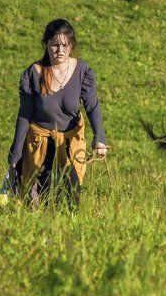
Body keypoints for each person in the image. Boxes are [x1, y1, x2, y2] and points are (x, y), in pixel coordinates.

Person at [8, 19, 108, 204]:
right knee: (38, 201)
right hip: (40, 146)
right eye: (54, 45)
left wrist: (100, 139)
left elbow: (92, 106)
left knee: (72, 198)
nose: (60, 50)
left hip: (70, 145)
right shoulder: (33, 73)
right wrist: (15, 156)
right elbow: (24, 115)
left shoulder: (82, 71)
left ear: (71, 45)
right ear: (46, 44)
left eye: (65, 45)